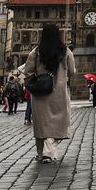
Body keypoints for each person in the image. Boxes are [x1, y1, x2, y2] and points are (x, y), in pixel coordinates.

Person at [26, 23, 76, 163]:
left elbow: (28, 72)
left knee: (42, 124)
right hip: (59, 92)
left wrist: (34, 82)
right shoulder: (66, 52)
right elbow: (72, 71)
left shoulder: (36, 52)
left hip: (40, 93)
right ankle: (48, 152)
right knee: (57, 122)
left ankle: (41, 153)